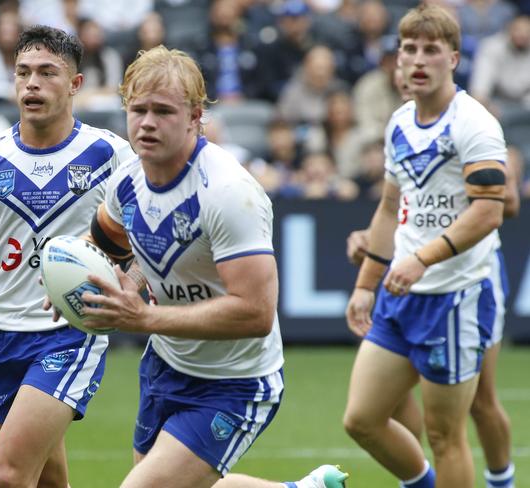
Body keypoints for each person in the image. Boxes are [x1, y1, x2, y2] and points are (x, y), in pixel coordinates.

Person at [72, 45, 348, 488]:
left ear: (195, 117)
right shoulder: (127, 179)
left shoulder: (228, 192)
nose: (146, 122)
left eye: (163, 111)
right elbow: (105, 243)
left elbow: (256, 313)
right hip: (167, 363)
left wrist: (145, 317)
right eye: (137, 109)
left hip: (235, 382)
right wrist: (65, 277)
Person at [0, 25, 135, 488]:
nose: (32, 83)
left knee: (10, 476)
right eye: (23, 72)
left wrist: (131, 281)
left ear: (75, 84)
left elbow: (144, 234)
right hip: (0, 333)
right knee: (48, 481)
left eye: (47, 73)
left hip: (69, 330)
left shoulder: (109, 155)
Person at [343, 5, 509, 488]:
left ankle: (501, 477)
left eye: (431, 50)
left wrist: (421, 257)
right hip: (400, 295)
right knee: (362, 419)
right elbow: (389, 207)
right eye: (409, 48)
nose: (418, 59)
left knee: (445, 433)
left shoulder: (474, 123)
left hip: (455, 297)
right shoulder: (398, 122)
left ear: (453, 58)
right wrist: (364, 286)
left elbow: (489, 211)